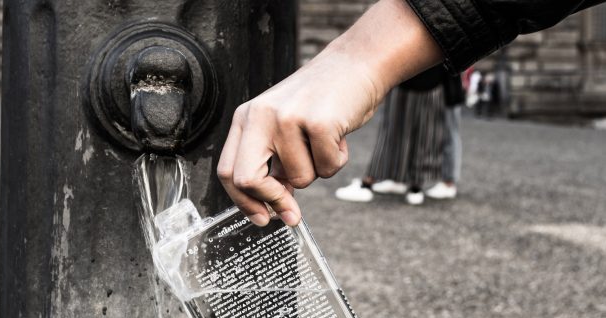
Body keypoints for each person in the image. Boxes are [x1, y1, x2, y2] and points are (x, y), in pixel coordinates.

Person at [216, 0, 604, 227]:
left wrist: (359, 56)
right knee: (416, 133)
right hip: (423, 65)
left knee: (424, 132)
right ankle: (408, 182)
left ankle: (416, 182)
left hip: (427, 72)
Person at [334, 65, 448, 205]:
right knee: (425, 136)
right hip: (433, 81)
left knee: (393, 135)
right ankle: (414, 187)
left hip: (406, 79)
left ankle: (368, 183)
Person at [425, 71, 465, 199]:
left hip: (449, 94)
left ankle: (449, 181)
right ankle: (448, 180)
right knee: (449, 135)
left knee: (450, 135)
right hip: (449, 92)